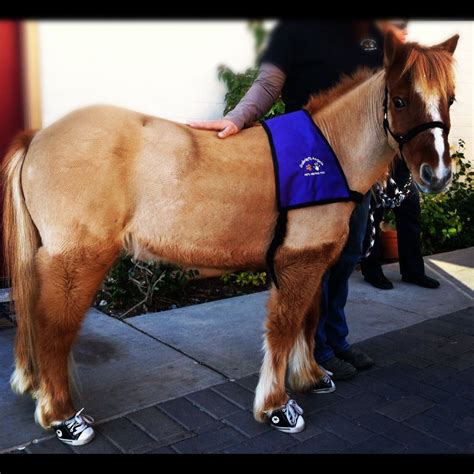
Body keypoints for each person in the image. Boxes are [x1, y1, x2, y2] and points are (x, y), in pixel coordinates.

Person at [189, 19, 409, 380]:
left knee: (347, 256)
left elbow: (388, 93)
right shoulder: (292, 29)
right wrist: (236, 118)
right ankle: (315, 347)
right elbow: (269, 83)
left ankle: (337, 338)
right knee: (313, 259)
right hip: (310, 160)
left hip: (358, 165)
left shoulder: (373, 33)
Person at [360, 158, 441, 290]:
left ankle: (413, 271)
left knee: (410, 212)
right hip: (377, 160)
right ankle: (371, 270)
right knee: (373, 216)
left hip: (402, 163)